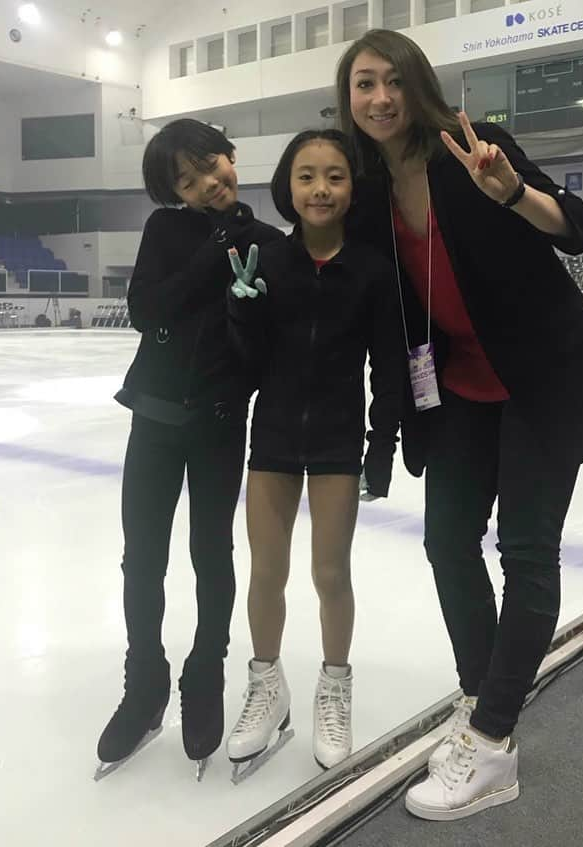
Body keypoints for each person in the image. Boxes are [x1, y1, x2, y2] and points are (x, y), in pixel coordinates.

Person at [335, 29, 583, 820]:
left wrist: (508, 190)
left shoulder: (475, 147)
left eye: (391, 81)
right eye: (362, 84)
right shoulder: (368, 191)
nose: (378, 98)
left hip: (539, 381)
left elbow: (579, 229)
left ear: (417, 85)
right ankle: (482, 706)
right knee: (444, 540)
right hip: (459, 390)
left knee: (525, 549)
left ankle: (493, 741)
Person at [95, 119, 284, 781]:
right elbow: (148, 311)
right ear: (174, 192)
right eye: (187, 179)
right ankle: (145, 679)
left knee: (212, 551)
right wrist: (214, 252)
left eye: (211, 164)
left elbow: (264, 348)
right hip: (153, 417)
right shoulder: (167, 232)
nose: (208, 182)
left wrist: (243, 290)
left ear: (230, 156)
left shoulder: (266, 243)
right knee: (140, 557)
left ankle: (205, 672)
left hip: (219, 422)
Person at [224, 129, 403, 780]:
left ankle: (334, 688)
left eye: (333, 175)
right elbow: (248, 366)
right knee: (265, 573)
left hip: (334, 440)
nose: (319, 188)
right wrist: (240, 313)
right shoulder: (267, 261)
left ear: (351, 188)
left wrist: (380, 446)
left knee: (330, 574)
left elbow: (388, 370)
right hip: (270, 436)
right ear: (287, 186)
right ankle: (267, 687)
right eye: (306, 176)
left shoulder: (371, 271)